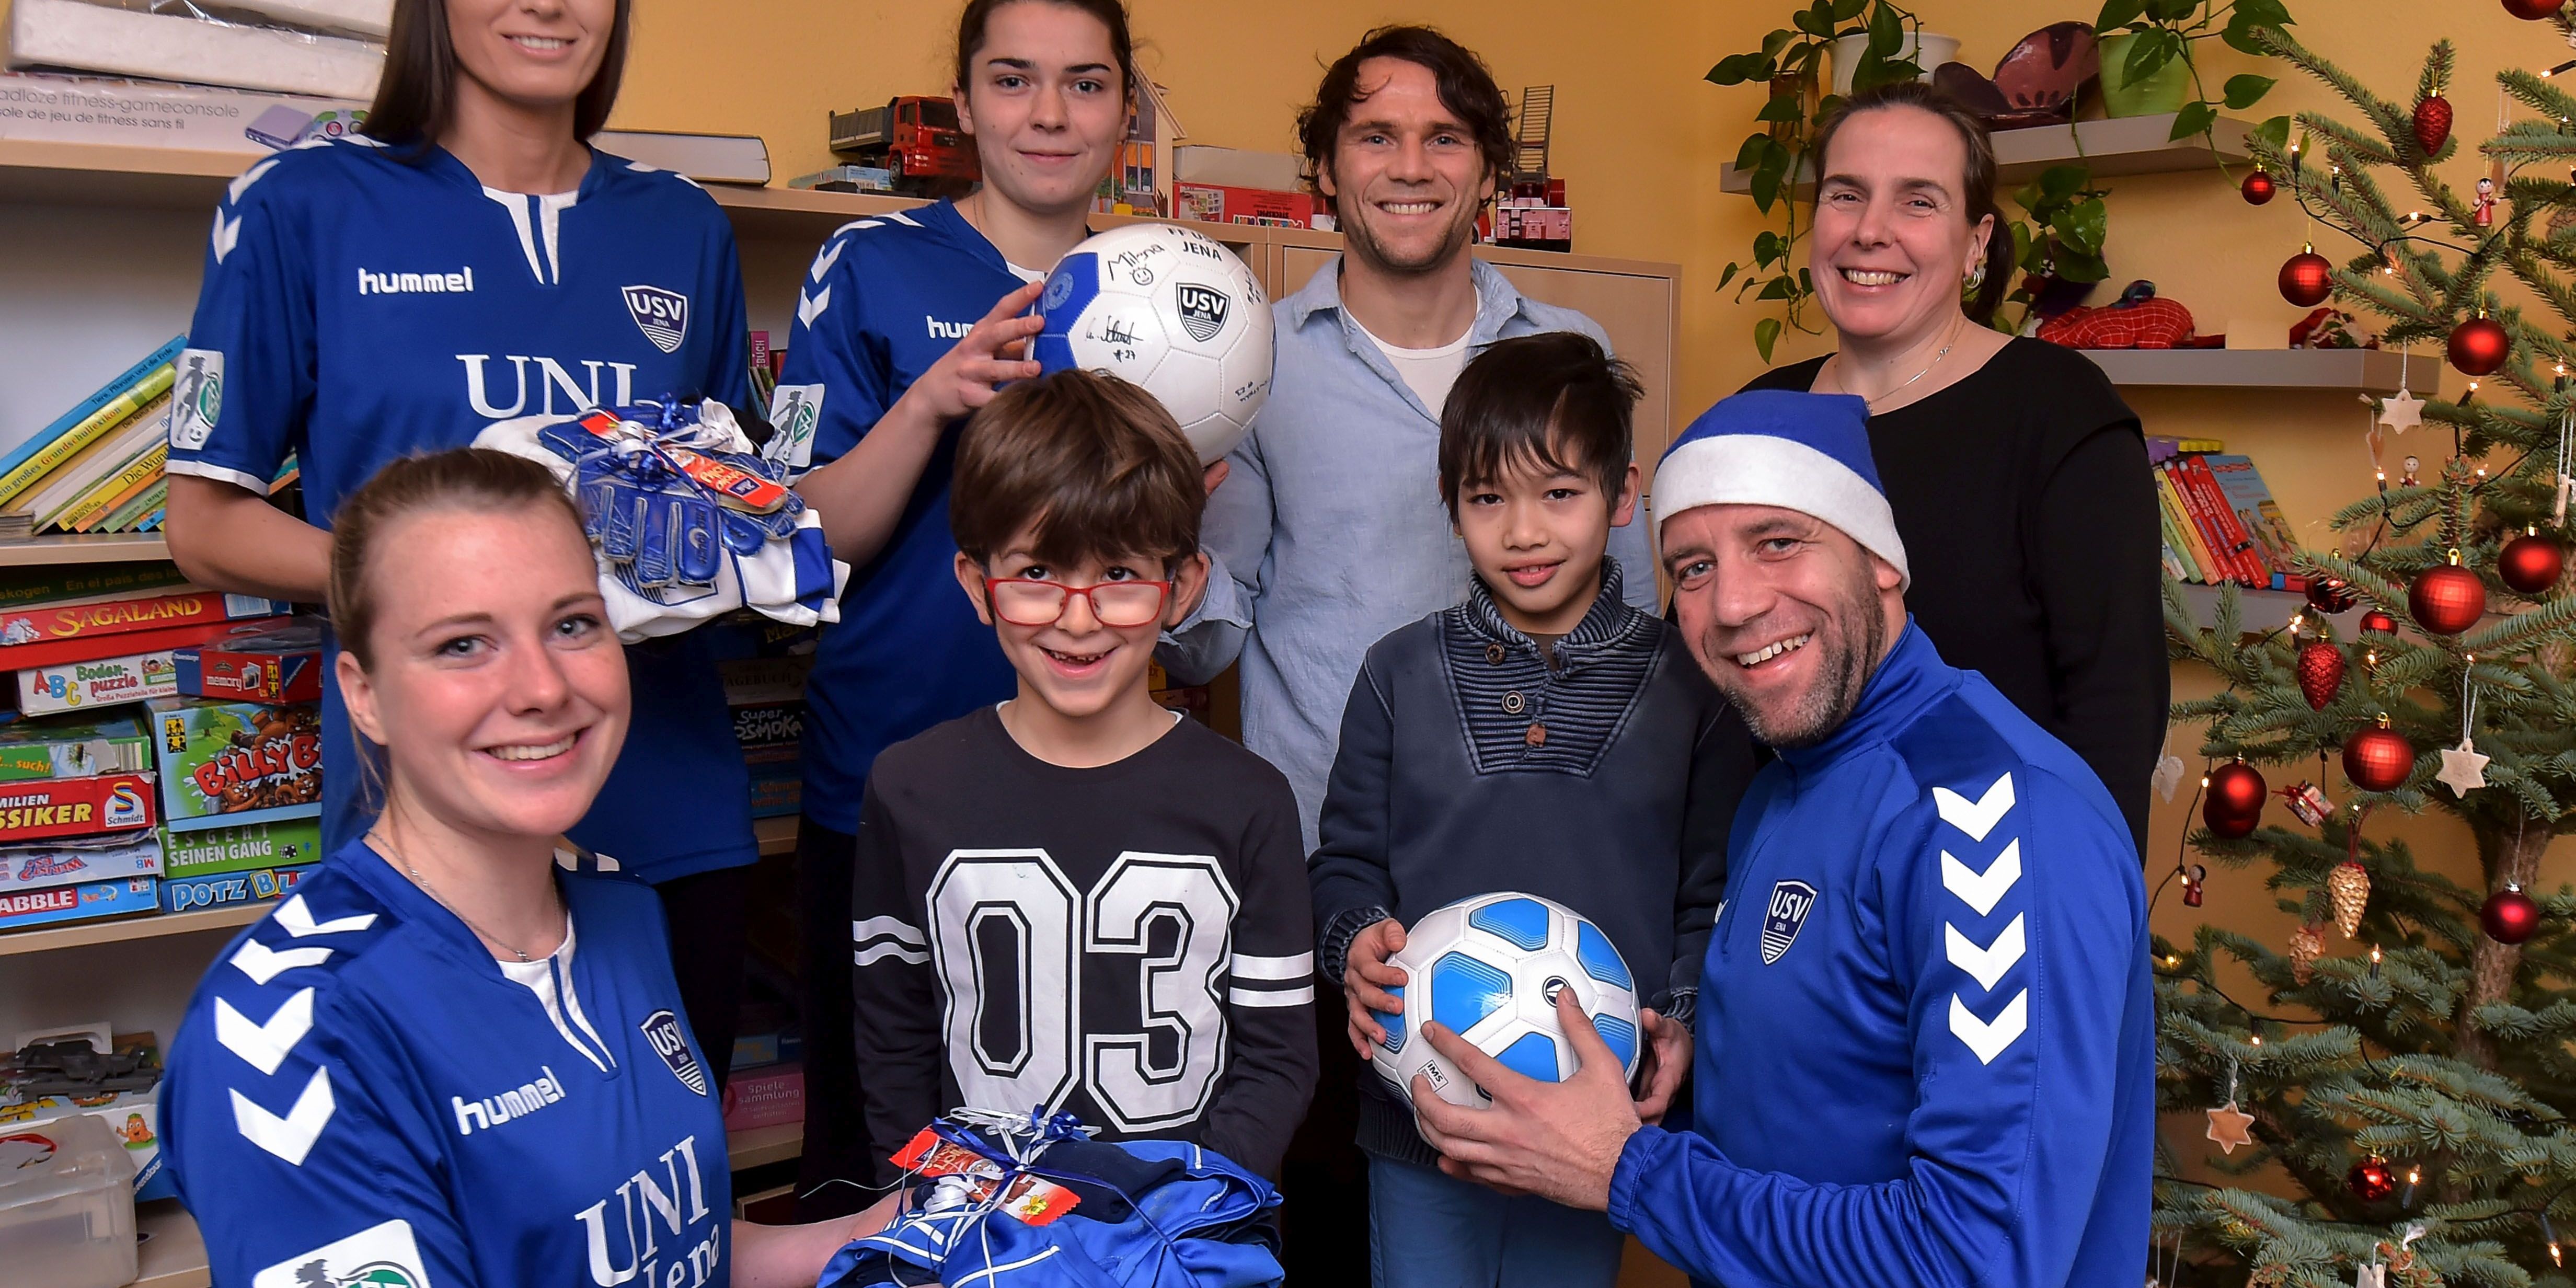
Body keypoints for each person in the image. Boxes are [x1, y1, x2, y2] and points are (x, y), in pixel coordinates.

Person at [1400, 390, 2154, 1288]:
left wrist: (1628, 1172)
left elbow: (1975, 1256)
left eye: (1779, 542)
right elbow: (1826, 1087)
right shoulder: (1786, 782)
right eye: (1691, 568)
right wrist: (1686, 1077)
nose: (1735, 604)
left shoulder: (1996, 818)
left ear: (1880, 561)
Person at [160, 0, 762, 1088]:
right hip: (431, 823)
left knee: (673, 1193)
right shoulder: (301, 203)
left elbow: (737, 498)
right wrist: (458, 597)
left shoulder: (683, 223)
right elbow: (203, 523)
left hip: (674, 802)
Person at [163, 449, 892, 1286]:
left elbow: (670, 1253)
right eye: (464, 643)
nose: (541, 688)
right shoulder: (289, 1032)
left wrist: (886, 1230)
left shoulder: (622, 914)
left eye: (573, 625)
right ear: (364, 694)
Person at [767, 0, 1145, 1213]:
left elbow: (1179, 581)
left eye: (1085, 84)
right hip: (888, 777)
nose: (1049, 113)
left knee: (1064, 1164)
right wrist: (929, 402)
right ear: (966, 101)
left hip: (1100, 786)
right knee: (873, 1154)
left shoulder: (1165, 291)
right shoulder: (870, 261)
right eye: (1014, 80)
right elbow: (801, 529)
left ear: (1125, 111)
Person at [1308, 332, 1751, 1288]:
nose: (1523, 532)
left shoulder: (1691, 685)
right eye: (1486, 498)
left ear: (1623, 495)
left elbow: (1712, 899)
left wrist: (1679, 1019)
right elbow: (1344, 860)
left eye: (1559, 494)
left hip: (1594, 1129)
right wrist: (1353, 942)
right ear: (1452, 506)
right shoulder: (1397, 672)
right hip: (1420, 1119)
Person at [1160, 25, 1658, 848]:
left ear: (1490, 170)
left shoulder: (1574, 351)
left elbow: (1630, 614)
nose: (1412, 168)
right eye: (1377, 137)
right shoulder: (1257, 364)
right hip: (1333, 847)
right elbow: (1206, 646)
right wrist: (1164, 567)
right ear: (1326, 166)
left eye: (1446, 139)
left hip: (1548, 836)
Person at [845, 370, 1317, 1182]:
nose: (1077, 615)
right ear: (975, 585)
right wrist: (941, 1209)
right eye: (1035, 574)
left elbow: (1276, 1065)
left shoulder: (1250, 800)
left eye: (1120, 575)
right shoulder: (909, 788)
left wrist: (1169, 1222)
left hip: (1187, 1250)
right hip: (984, 1244)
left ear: (1182, 587)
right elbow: (894, 1046)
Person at [1735, 80, 2164, 853]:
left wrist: (2077, 926)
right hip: (1778, 891)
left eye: (1918, 202)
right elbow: (1704, 688)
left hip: (1987, 895)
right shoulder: (1760, 414)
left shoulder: (2058, 410)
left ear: (1975, 243)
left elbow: (2114, 708)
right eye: (1846, 195)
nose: (1870, 232)